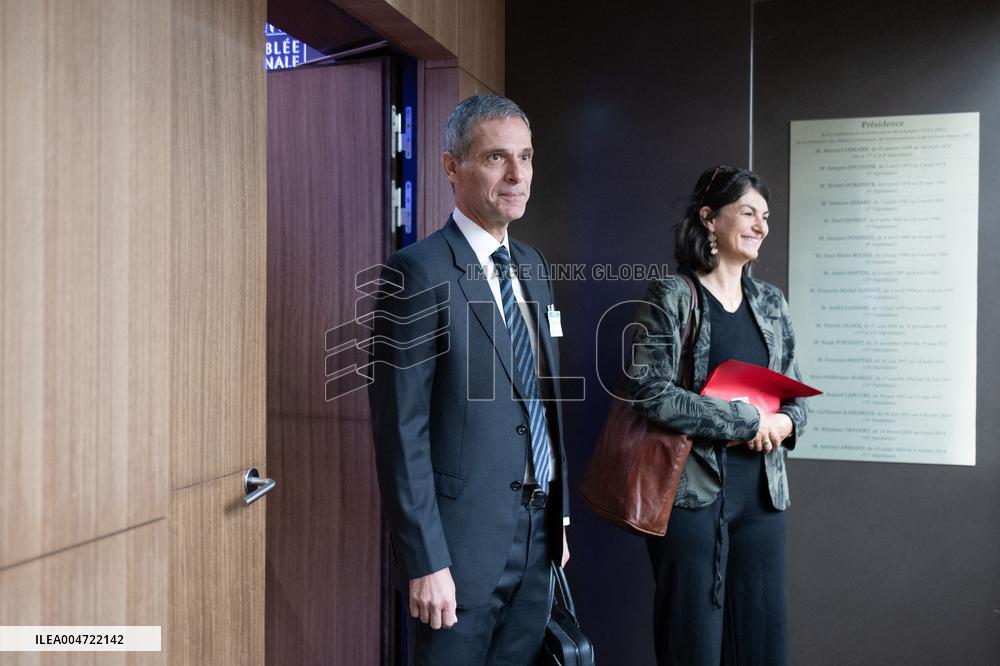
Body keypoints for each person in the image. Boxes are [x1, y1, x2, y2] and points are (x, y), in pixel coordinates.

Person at [368, 94, 570, 665]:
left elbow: (543, 402)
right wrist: (425, 560)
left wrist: (559, 521)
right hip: (457, 553)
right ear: (451, 166)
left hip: (536, 542)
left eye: (526, 157)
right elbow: (399, 433)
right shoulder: (417, 271)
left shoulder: (533, 265)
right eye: (496, 158)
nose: (517, 175)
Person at [624, 166, 810, 665]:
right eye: (748, 212)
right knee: (693, 645)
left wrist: (786, 423)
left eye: (765, 216)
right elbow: (647, 389)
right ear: (709, 218)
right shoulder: (673, 295)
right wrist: (746, 422)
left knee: (762, 644)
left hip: (762, 501)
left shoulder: (771, 302)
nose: (760, 226)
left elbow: (797, 401)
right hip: (691, 499)